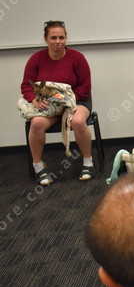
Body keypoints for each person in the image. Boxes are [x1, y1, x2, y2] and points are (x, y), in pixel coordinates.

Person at [20, 20, 94, 185]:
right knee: (36, 123)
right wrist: (33, 99)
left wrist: (65, 103)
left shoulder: (77, 58)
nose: (58, 41)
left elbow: (85, 87)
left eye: (61, 37)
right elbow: (26, 86)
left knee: (78, 121)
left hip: (76, 101)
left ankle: (88, 162)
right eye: (53, 38)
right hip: (49, 106)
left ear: (66, 38)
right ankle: (38, 166)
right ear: (46, 39)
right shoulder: (36, 59)